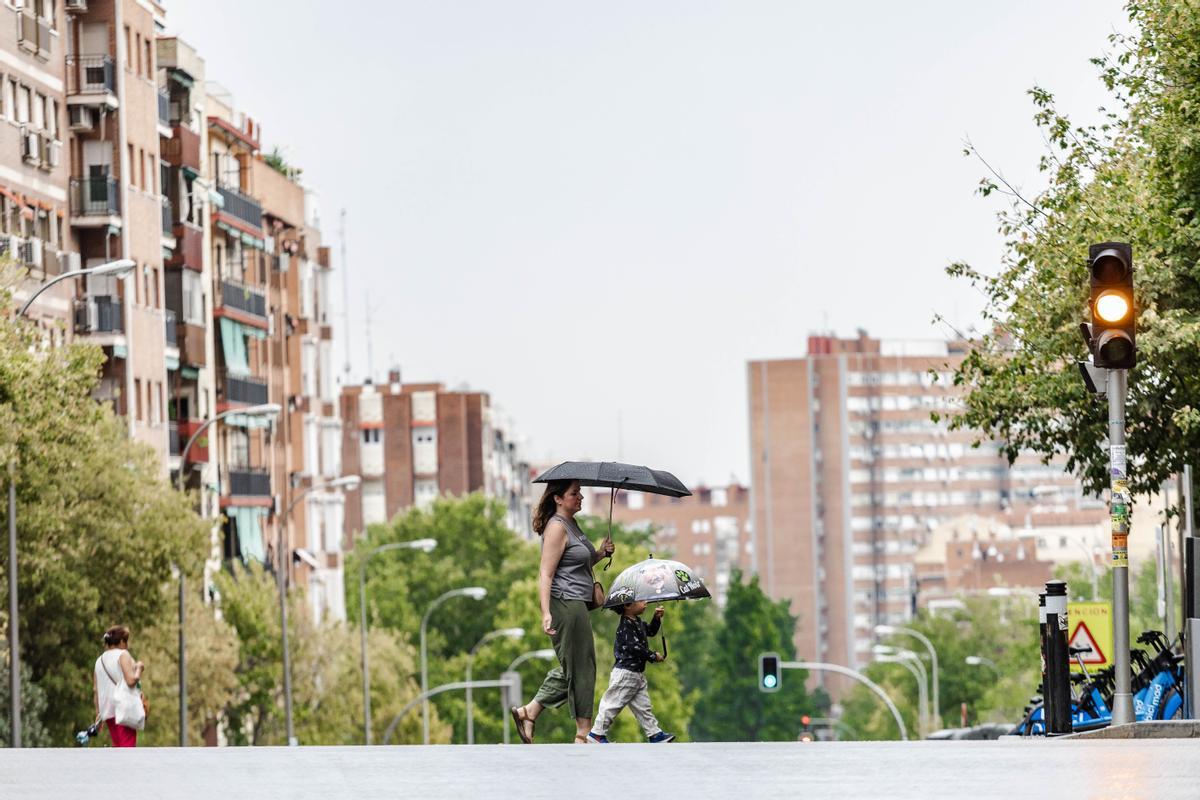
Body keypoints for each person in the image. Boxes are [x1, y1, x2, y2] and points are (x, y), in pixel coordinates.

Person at [510, 479, 614, 744]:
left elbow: (576, 562)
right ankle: (583, 732)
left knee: (578, 665)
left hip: (576, 602)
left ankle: (530, 712)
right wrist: (546, 612)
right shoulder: (556, 527)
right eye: (574, 493)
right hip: (564, 603)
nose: (581, 497)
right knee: (581, 666)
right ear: (558, 498)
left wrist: (600, 554)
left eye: (580, 493)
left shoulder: (572, 525)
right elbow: (546, 573)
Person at [586, 601, 674, 743]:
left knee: (644, 707)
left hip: (636, 674)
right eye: (640, 601)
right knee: (612, 703)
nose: (645, 603)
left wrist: (656, 618)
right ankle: (597, 733)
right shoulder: (626, 626)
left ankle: (654, 733)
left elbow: (650, 631)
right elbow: (635, 647)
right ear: (627, 606)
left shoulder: (637, 622)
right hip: (626, 673)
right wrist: (652, 656)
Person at [92, 624, 145, 747]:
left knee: (118, 748)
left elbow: (96, 690)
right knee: (127, 750)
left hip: (107, 711)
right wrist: (139, 668)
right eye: (126, 641)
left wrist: (98, 714)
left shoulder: (99, 661)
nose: (127, 645)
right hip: (123, 708)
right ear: (121, 641)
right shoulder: (123, 655)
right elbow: (131, 681)